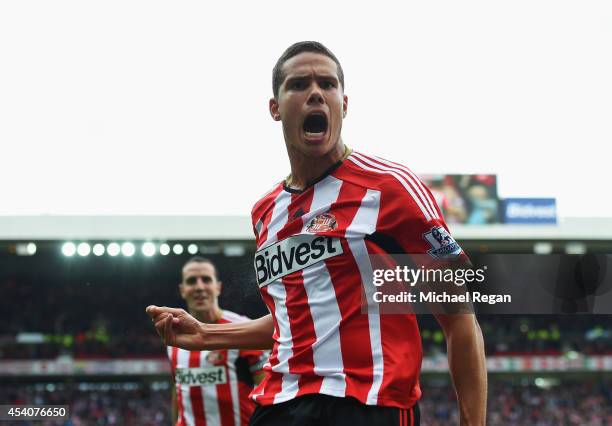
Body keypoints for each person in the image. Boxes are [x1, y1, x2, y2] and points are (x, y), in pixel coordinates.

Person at [148, 41, 487, 426]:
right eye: (298, 85)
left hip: (368, 404)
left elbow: (459, 316)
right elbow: (292, 319)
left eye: (327, 84)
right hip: (279, 404)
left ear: (344, 104)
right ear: (274, 108)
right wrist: (207, 335)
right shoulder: (265, 213)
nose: (315, 93)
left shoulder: (390, 188)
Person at [167, 256, 267, 426]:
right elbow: (178, 390)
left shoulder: (243, 328)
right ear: (183, 290)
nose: (199, 287)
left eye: (206, 279)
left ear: (218, 287)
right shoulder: (175, 334)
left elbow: (266, 391)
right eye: (191, 281)